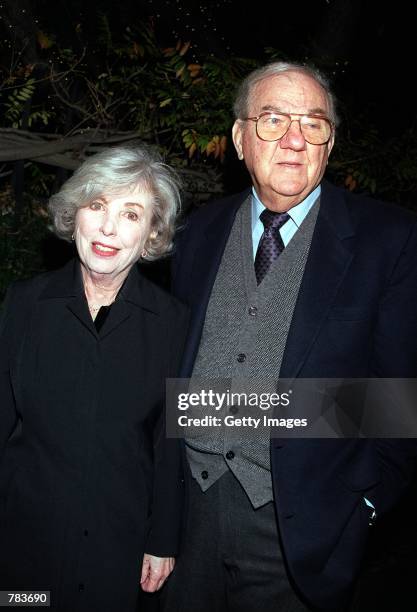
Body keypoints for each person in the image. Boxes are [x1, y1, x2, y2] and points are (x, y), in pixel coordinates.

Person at [161, 62, 417, 611]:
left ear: (331, 142)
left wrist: (363, 506)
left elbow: (396, 400)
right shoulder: (196, 234)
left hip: (302, 526)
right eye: (273, 120)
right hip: (189, 518)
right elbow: (174, 375)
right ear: (239, 138)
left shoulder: (388, 240)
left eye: (314, 123)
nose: (295, 140)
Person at [0, 144, 189, 611]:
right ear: (74, 215)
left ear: (150, 234)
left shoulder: (172, 321)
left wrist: (163, 538)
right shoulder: (24, 303)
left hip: (118, 546)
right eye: (97, 206)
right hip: (23, 542)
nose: (108, 228)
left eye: (131, 214)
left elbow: (172, 440)